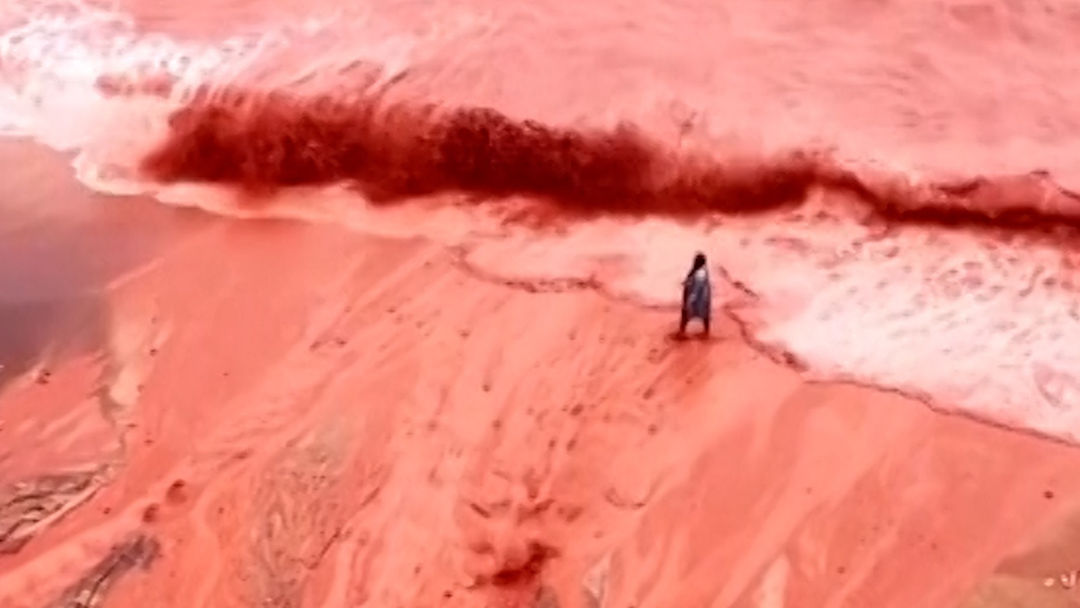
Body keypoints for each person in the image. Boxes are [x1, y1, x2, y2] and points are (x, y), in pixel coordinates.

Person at [679, 252, 711, 336]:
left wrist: (691, 298)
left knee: (686, 313)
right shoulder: (701, 271)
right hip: (702, 298)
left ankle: (682, 332)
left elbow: (697, 287)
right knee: (704, 315)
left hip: (698, 298)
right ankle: (706, 332)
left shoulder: (700, 273)